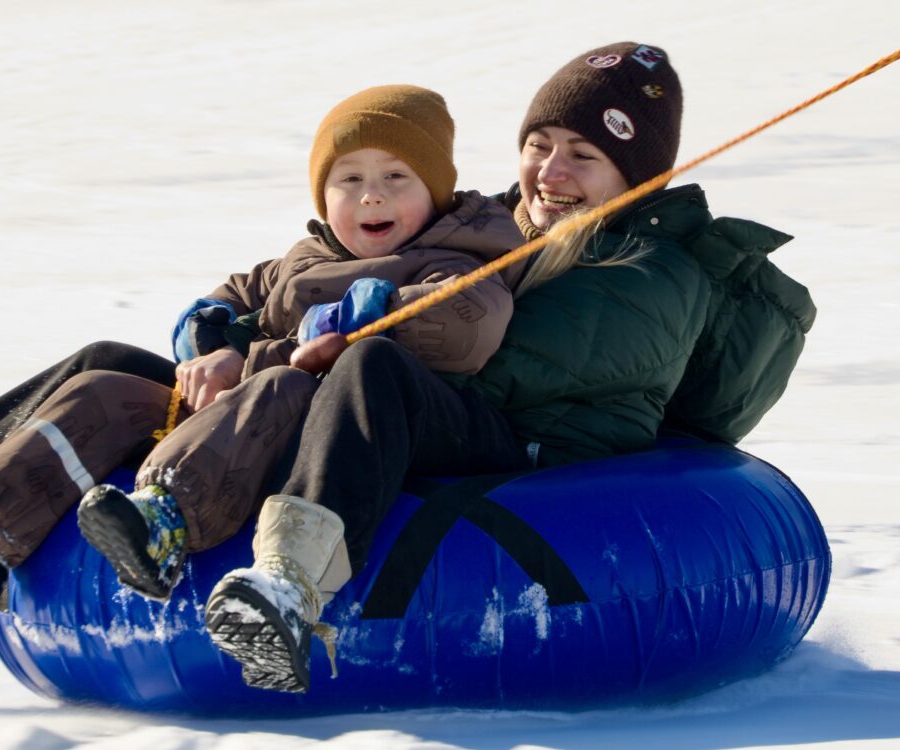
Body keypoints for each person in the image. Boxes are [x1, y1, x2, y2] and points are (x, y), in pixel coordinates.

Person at [201, 41, 815, 693]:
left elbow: (483, 368)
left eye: (583, 156)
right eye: (538, 146)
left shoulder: (650, 272)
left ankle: (292, 585)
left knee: (375, 366)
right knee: (156, 373)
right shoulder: (500, 227)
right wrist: (231, 337)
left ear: (634, 176)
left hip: (536, 449)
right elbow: (342, 272)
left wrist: (301, 358)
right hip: (466, 422)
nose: (551, 172)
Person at [0, 84, 525, 614]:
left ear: (435, 190)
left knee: (279, 383)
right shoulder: (307, 256)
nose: (371, 197)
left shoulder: (454, 255)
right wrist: (208, 339)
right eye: (349, 179)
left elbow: (465, 324)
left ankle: (166, 522)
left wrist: (327, 329)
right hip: (241, 410)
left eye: (396, 177)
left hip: (333, 429)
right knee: (105, 390)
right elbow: (229, 298)